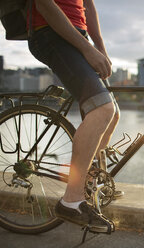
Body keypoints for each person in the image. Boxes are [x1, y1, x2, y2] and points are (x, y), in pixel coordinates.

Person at [28, 0, 119, 231]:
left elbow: (87, 5)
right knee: (102, 109)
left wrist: (98, 47)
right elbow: (44, 5)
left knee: (112, 113)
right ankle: (71, 200)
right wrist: (88, 49)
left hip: (78, 36)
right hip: (50, 31)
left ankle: (88, 183)